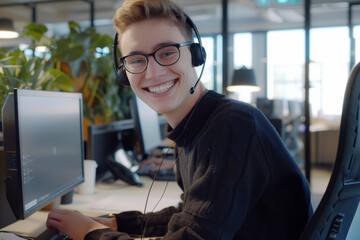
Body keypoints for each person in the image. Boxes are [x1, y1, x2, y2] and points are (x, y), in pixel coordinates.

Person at [46, 0, 313, 239]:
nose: (153, 73)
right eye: (136, 60)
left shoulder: (232, 125)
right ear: (123, 73)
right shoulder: (194, 127)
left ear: (195, 55)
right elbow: (190, 216)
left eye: (166, 52)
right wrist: (115, 223)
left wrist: (93, 233)